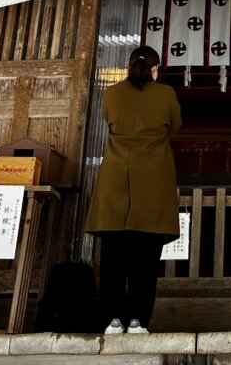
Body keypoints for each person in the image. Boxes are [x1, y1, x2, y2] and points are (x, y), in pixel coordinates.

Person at [85, 45, 181, 335]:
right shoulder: (165, 94)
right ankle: (139, 321)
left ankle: (113, 320)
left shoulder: (112, 94)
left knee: (113, 255)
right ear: (155, 69)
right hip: (152, 181)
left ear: (129, 67)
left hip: (116, 180)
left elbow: (108, 120)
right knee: (145, 258)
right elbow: (175, 126)